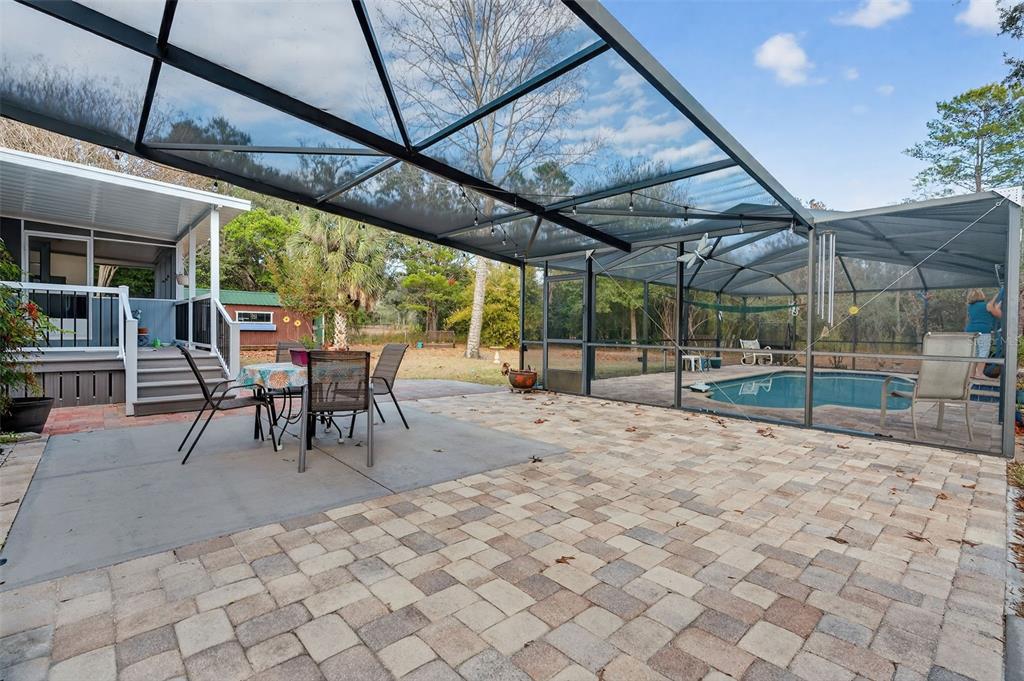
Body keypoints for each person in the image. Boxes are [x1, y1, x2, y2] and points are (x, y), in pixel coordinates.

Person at [964, 289, 994, 379]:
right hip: (983, 331)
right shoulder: (986, 305)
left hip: (970, 331)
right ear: (981, 295)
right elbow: (995, 311)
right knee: (983, 352)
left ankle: (972, 374)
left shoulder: (970, 307)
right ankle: (979, 374)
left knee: (974, 353)